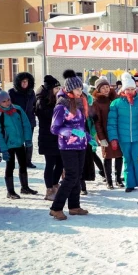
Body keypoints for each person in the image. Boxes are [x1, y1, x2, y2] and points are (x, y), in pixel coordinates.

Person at [49, 70, 92, 220]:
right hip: (67, 146)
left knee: (78, 176)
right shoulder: (61, 106)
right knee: (71, 176)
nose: (81, 91)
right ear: (70, 89)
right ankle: (56, 207)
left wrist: (87, 136)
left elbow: (80, 125)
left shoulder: (79, 103)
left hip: (80, 145)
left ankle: (74, 206)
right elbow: (54, 128)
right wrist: (72, 132)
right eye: (78, 89)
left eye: (81, 88)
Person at [108, 72, 138, 192]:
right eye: (127, 89)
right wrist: (113, 138)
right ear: (123, 89)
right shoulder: (116, 104)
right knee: (127, 160)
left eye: (132, 89)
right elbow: (112, 122)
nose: (130, 91)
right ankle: (130, 183)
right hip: (124, 138)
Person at [0, 88, 37, 199]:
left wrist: (27, 139)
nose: (7, 102)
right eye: (4, 101)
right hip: (8, 146)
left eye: (8, 99)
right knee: (10, 167)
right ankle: (10, 191)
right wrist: (3, 149)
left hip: (19, 143)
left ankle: (25, 187)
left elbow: (26, 124)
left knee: (23, 165)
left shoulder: (17, 109)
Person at [92, 77, 124, 189]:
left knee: (120, 156)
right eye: (103, 88)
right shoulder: (96, 103)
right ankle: (109, 180)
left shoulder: (115, 99)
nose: (106, 90)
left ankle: (118, 178)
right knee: (108, 157)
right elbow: (97, 122)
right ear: (98, 90)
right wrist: (101, 137)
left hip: (118, 132)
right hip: (106, 133)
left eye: (107, 87)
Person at [35, 75, 64, 200]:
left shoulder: (58, 100)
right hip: (47, 137)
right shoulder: (42, 101)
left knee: (60, 163)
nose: (58, 90)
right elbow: (48, 116)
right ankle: (49, 189)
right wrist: (59, 107)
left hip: (58, 137)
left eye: (59, 87)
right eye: (56, 88)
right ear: (50, 89)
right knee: (50, 163)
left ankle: (55, 184)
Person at [8, 72, 37, 168]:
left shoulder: (31, 92)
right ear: (19, 82)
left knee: (29, 141)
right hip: (17, 121)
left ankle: (28, 161)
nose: (25, 83)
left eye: (26, 81)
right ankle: (22, 161)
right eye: (23, 82)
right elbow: (8, 106)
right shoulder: (12, 92)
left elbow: (35, 105)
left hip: (29, 121)